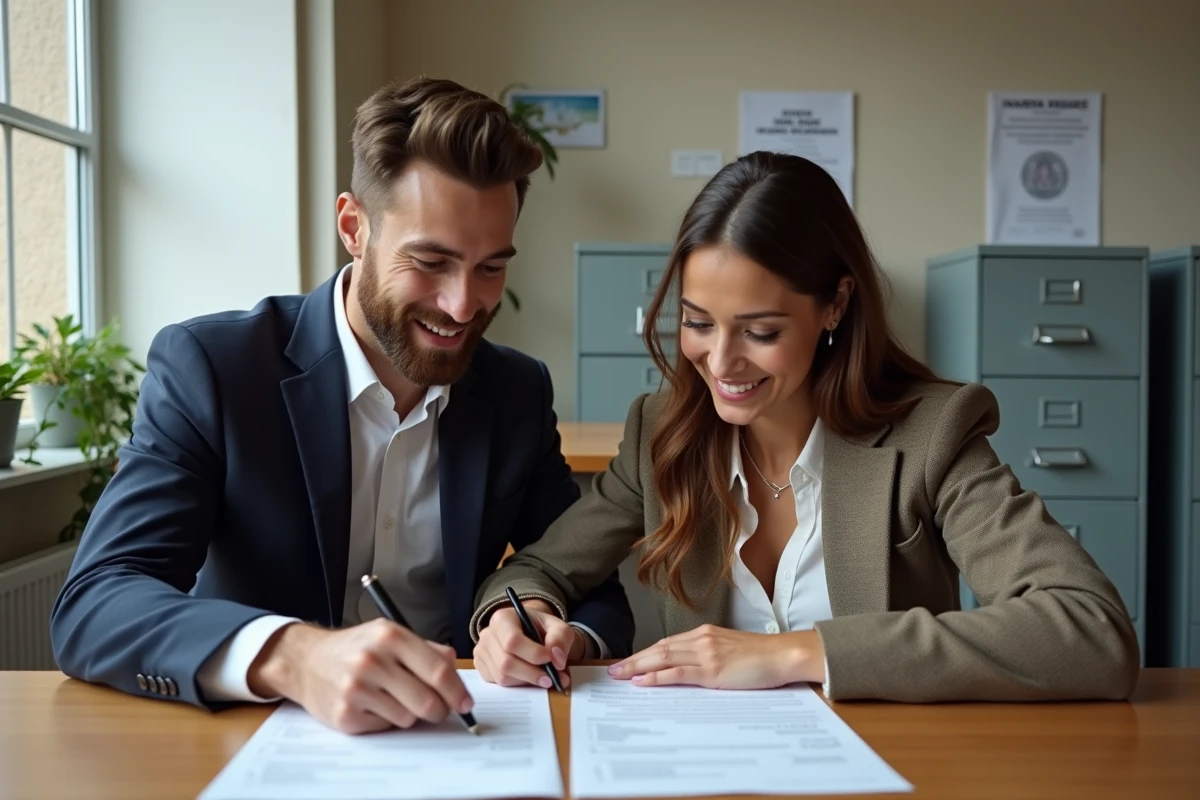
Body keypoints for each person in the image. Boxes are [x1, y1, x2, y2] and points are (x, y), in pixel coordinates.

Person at [49, 76, 633, 733]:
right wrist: (293, 655)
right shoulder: (214, 368)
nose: (464, 305)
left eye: (491, 267)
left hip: (466, 741)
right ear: (354, 228)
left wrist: (553, 633)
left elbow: (593, 593)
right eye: (431, 261)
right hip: (252, 742)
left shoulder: (516, 392)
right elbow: (97, 602)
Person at [470, 151, 1140, 702]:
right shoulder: (662, 431)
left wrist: (794, 653)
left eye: (760, 331)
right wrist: (518, 618)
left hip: (889, 763)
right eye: (699, 322)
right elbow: (536, 570)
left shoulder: (931, 435)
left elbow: (1091, 630)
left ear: (835, 306)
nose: (721, 361)